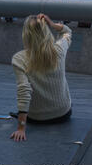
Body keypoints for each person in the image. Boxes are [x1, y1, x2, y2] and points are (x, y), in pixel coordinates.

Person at [10, 14, 72, 142]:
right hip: (63, 114)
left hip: (37, 118)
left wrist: (21, 128)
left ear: (26, 34)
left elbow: (24, 91)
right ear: (46, 31)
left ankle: (20, 116)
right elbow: (67, 32)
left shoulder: (19, 59)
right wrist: (53, 24)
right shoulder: (59, 49)